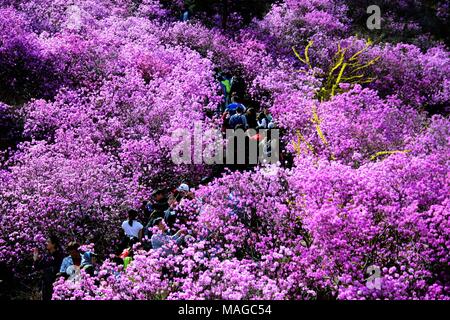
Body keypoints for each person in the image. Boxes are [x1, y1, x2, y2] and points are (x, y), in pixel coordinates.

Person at [33, 235, 64, 300]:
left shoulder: (60, 255)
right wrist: (35, 259)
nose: (46, 243)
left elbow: (60, 270)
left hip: (55, 284)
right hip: (46, 285)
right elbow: (37, 267)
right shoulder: (46, 256)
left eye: (48, 242)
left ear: (53, 244)